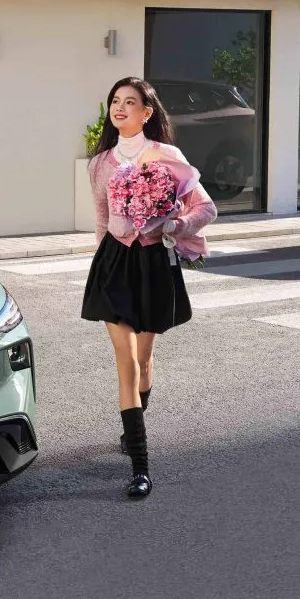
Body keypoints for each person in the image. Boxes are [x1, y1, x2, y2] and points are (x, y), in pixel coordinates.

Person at [80, 77, 218, 499]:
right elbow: (102, 220)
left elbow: (206, 208)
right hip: (114, 263)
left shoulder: (167, 156)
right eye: (114, 101)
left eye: (129, 102)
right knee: (126, 363)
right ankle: (140, 468)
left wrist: (174, 225)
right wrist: (101, 264)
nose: (119, 108)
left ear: (146, 112)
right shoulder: (99, 163)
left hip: (154, 262)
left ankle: (132, 428)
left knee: (143, 359)